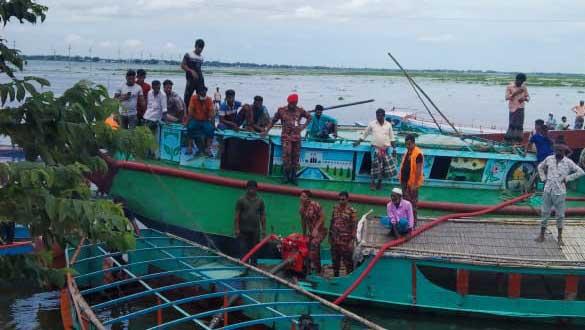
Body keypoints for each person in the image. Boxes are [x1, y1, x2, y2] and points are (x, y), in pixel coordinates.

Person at [535, 145, 584, 246]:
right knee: (544, 213)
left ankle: (560, 237)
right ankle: (542, 234)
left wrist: (567, 178)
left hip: (560, 192)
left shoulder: (568, 162)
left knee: (560, 215)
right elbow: (540, 167)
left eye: (561, 151)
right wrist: (543, 178)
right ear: (554, 150)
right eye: (557, 150)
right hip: (548, 190)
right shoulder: (549, 159)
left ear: (564, 152)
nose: (559, 152)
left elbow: (581, 172)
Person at [263, 94, 312, 185]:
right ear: (288, 102)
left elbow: (310, 117)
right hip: (286, 138)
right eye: (291, 103)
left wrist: (302, 127)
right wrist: (266, 131)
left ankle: (293, 176)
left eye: (294, 103)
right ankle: (285, 176)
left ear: (297, 102)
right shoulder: (281, 110)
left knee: (295, 157)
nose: (293, 105)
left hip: (297, 138)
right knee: (286, 156)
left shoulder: (300, 110)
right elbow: (273, 120)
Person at [353, 108, 397, 191]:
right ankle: (372, 182)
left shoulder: (388, 125)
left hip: (386, 149)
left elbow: (392, 138)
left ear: (384, 116)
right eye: (377, 115)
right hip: (375, 148)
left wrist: (394, 149)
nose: (378, 117)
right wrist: (358, 142)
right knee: (374, 166)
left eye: (380, 115)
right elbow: (365, 134)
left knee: (383, 167)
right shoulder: (372, 124)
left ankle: (379, 183)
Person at [234, 180, 266, 265]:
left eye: (253, 188)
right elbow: (237, 215)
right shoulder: (241, 200)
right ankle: (243, 267)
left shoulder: (260, 201)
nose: (251, 190)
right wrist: (236, 229)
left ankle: (253, 267)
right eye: (249, 188)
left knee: (255, 250)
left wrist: (263, 230)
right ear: (246, 189)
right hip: (243, 230)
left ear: (256, 189)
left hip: (255, 231)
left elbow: (262, 216)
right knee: (243, 250)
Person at [329, 191, 357, 277]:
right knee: (335, 261)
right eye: (340, 199)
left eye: (343, 199)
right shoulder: (335, 209)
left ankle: (349, 278)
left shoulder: (352, 211)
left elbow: (354, 226)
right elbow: (332, 222)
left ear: (347, 200)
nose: (341, 201)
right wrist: (330, 236)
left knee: (348, 262)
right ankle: (336, 277)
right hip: (335, 240)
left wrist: (352, 241)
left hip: (346, 241)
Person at [299, 190, 326, 274]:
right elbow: (303, 221)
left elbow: (322, 217)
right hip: (311, 233)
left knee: (314, 245)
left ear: (308, 198)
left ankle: (318, 271)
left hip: (321, 231)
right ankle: (308, 270)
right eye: (301, 196)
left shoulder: (315, 205)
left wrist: (316, 228)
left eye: (304, 196)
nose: (301, 198)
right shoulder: (302, 209)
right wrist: (303, 235)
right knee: (307, 248)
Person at [399, 134, 424, 223]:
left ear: (413, 143)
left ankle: (413, 223)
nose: (407, 146)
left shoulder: (418, 154)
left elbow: (418, 170)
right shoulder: (407, 152)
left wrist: (415, 184)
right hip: (404, 182)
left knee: (412, 204)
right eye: (406, 144)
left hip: (412, 183)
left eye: (409, 144)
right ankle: (405, 221)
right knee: (404, 203)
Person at [186, 86, 214, 156]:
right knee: (190, 127)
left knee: (210, 129)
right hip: (195, 119)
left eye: (204, 93)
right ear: (198, 93)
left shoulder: (209, 99)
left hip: (205, 120)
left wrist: (213, 124)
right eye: (201, 94)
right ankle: (189, 147)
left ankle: (208, 148)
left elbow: (212, 113)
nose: (203, 95)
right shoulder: (193, 98)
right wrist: (187, 122)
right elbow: (190, 111)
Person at [504, 73, 529, 144]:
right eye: (520, 81)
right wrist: (516, 93)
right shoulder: (510, 86)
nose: (521, 83)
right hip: (512, 108)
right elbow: (506, 97)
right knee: (512, 125)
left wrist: (524, 99)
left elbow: (528, 97)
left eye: (522, 82)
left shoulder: (524, 87)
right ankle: (509, 142)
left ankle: (518, 143)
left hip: (521, 108)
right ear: (517, 80)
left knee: (520, 126)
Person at [181, 39, 205, 107]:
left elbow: (199, 69)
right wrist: (191, 71)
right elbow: (182, 65)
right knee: (187, 98)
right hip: (190, 80)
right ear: (195, 46)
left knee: (201, 97)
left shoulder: (201, 58)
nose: (200, 49)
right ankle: (186, 114)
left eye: (202, 48)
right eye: (199, 47)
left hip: (199, 80)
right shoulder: (189, 55)